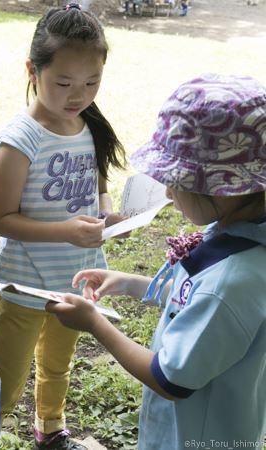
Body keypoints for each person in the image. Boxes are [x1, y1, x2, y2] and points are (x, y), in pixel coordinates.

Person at [47, 73, 266, 449]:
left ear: (220, 187)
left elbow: (169, 379)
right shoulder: (238, 234)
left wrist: (94, 324)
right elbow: (197, 300)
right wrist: (131, 283)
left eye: (176, 178)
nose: (166, 189)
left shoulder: (234, 282)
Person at [0, 3, 127, 450]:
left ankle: (50, 428)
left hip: (75, 276)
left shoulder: (89, 125)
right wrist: (65, 230)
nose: (78, 94)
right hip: (26, 283)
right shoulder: (21, 139)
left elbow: (97, 183)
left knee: (57, 365)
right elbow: (1, 219)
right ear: (32, 70)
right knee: (5, 377)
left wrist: (107, 212)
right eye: (63, 83)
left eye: (92, 83)